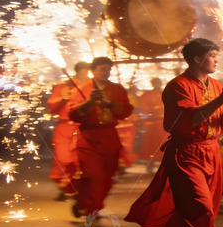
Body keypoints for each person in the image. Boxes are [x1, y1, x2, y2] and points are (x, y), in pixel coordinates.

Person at [125, 38, 223, 227]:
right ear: (197, 59)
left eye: (217, 55)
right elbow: (190, 119)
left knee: (195, 211)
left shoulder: (217, 85)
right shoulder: (177, 86)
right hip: (187, 154)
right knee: (200, 207)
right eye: (212, 55)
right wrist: (222, 100)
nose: (216, 59)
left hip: (211, 153)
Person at [68, 57, 133, 218]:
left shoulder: (117, 89)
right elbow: (73, 114)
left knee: (107, 176)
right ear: (92, 71)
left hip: (109, 137)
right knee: (93, 175)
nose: (106, 73)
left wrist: (109, 104)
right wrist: (89, 102)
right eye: (102, 69)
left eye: (108, 70)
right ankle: (93, 209)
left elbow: (126, 110)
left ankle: (84, 202)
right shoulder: (81, 89)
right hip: (88, 138)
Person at [47, 61, 90, 200]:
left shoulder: (92, 86)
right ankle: (64, 186)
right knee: (63, 158)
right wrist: (63, 98)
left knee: (80, 159)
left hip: (84, 127)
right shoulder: (64, 86)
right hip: (64, 127)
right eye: (84, 70)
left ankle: (74, 189)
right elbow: (52, 105)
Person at [138, 77, 167, 173]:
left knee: (164, 143)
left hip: (163, 123)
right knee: (151, 145)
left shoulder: (166, 94)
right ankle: (151, 164)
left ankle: (165, 163)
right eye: (155, 83)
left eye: (159, 83)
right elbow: (145, 108)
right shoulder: (147, 95)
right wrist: (156, 110)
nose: (157, 85)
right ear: (152, 84)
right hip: (152, 124)